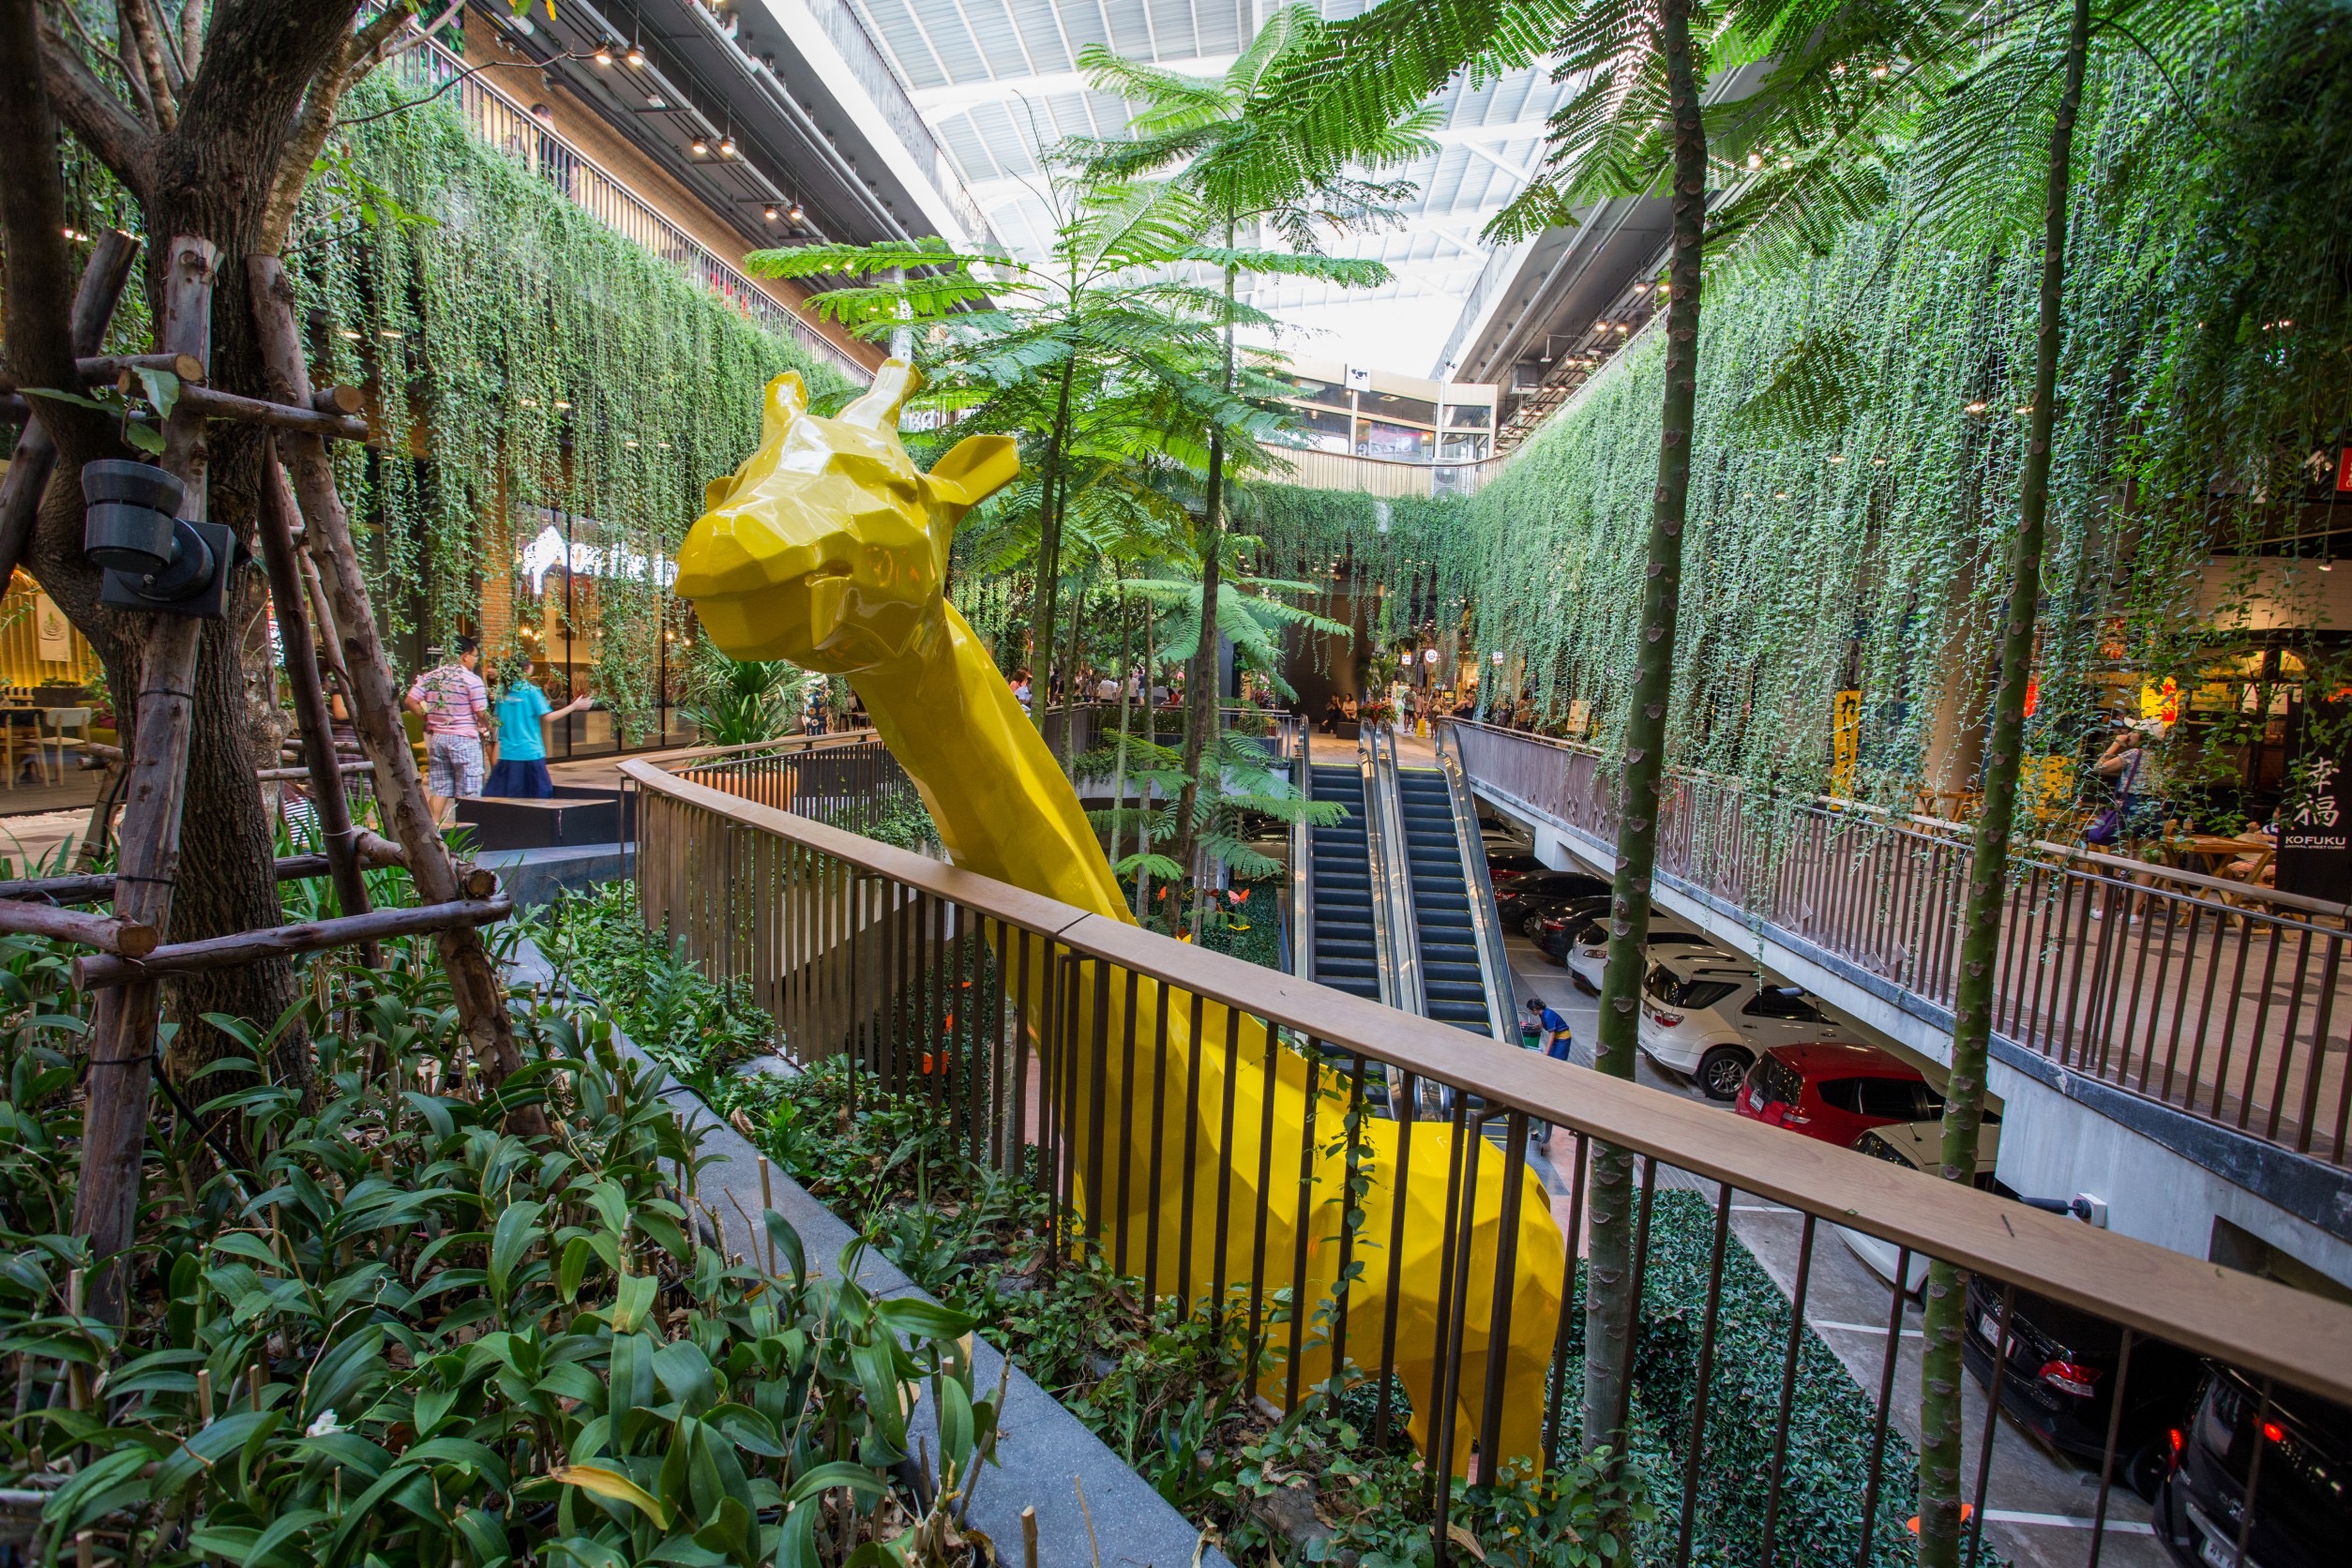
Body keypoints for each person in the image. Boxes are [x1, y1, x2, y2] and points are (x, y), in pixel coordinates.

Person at [405, 636, 491, 825]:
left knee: (440, 788)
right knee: (469, 790)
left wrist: (428, 719)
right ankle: (468, 833)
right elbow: (480, 712)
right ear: (465, 655)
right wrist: (489, 724)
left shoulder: (432, 676)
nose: (475, 661)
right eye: (475, 656)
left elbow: (410, 700)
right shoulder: (472, 680)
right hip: (464, 740)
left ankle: (431, 830)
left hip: (438, 739)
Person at [484, 661, 591, 799]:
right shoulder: (531, 691)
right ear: (527, 669)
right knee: (538, 799)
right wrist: (573, 706)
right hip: (530, 753)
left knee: (507, 800)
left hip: (507, 755)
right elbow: (548, 717)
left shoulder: (502, 692)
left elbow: (498, 723)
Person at [1522, 997, 1575, 1147]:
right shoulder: (1544, 1014)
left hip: (1562, 1039)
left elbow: (1552, 1034)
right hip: (1558, 1038)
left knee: (1557, 1061)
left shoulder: (1548, 1015)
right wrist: (1538, 1025)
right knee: (1552, 1060)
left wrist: (1546, 1050)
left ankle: (1556, 1081)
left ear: (1534, 1009)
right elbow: (1546, 1025)